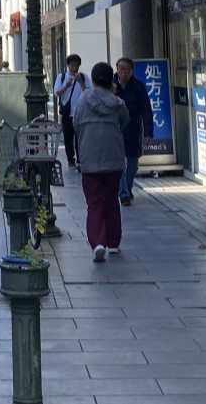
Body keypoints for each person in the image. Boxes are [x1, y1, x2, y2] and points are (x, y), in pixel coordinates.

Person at [72, 62, 128, 262]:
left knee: (94, 202)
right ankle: (113, 242)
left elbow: (76, 124)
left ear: (94, 79)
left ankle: (97, 243)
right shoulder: (117, 102)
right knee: (111, 199)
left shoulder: (83, 99)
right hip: (113, 157)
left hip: (90, 157)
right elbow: (125, 121)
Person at [114, 58, 154, 207]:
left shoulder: (138, 86)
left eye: (127, 69)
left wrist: (148, 131)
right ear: (116, 69)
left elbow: (146, 109)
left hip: (133, 128)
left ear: (132, 70)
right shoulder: (111, 85)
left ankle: (128, 187)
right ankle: (123, 193)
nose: (124, 72)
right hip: (115, 130)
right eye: (121, 68)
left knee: (132, 162)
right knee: (119, 162)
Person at [54, 54, 88, 169]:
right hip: (67, 113)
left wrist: (80, 82)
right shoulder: (61, 77)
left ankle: (80, 160)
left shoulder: (83, 77)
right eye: (72, 65)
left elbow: (88, 93)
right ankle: (70, 160)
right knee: (68, 138)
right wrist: (66, 86)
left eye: (76, 65)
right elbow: (57, 92)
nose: (74, 68)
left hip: (80, 113)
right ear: (68, 65)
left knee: (80, 138)